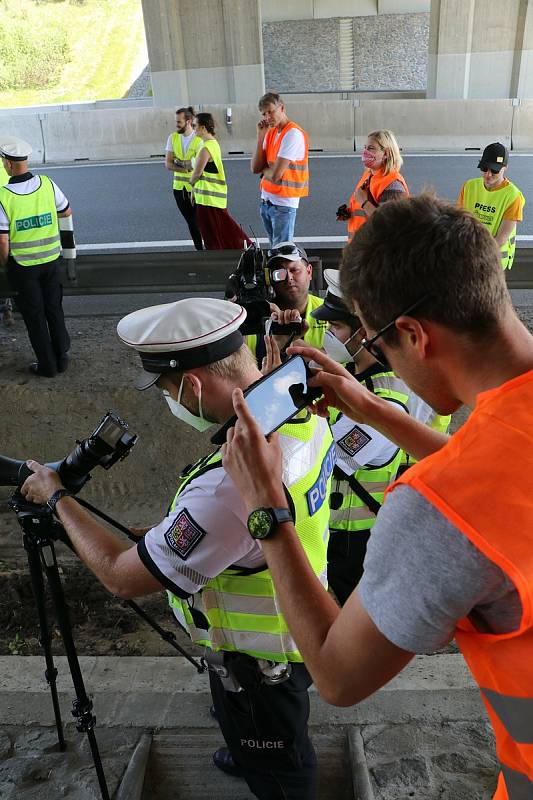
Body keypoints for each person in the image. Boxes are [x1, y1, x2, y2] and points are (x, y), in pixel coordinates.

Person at [221, 194, 533, 800]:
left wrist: (268, 511)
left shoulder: (438, 509)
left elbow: (338, 676)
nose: (373, 353)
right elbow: (506, 473)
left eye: (377, 340)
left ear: (414, 335)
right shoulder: (493, 456)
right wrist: (366, 406)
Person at [20, 296, 335, 800]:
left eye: (167, 389)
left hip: (256, 663)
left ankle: (265, 767)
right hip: (290, 627)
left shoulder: (228, 485)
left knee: (282, 772)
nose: (170, 401)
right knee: (264, 736)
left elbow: (123, 577)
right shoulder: (302, 417)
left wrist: (57, 497)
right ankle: (246, 750)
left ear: (191, 383)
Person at [310, 269, 409, 604]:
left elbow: (324, 460)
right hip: (335, 534)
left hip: (359, 543)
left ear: (363, 334)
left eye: (335, 328)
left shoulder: (386, 401)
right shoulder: (349, 381)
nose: (328, 336)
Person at [0, 136, 72, 376]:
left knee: (35, 316)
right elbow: (66, 210)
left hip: (24, 267)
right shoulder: (47, 183)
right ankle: (61, 358)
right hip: (51, 260)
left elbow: (2, 241)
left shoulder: (4, 196)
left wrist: (4, 264)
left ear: (9, 164)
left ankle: (47, 366)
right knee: (54, 309)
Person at [245, 242, 327, 367]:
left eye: (295, 270)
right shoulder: (254, 317)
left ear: (309, 271)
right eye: (279, 273)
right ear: (270, 279)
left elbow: (344, 364)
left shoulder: (329, 312)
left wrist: (289, 342)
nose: (289, 278)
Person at [251, 92, 309, 247]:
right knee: (274, 251)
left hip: (283, 204)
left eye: (271, 111)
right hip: (266, 201)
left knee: (282, 255)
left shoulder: (292, 134)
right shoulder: (270, 133)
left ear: (282, 108)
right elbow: (255, 168)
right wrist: (260, 137)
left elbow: (276, 175)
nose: (268, 117)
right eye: (264, 114)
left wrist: (266, 170)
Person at [458, 142, 525, 270]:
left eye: (494, 170)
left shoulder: (514, 196)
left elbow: (502, 238)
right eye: (484, 168)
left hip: (495, 262)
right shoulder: (468, 187)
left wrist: (476, 253)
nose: (488, 174)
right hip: (469, 257)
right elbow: (459, 223)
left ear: (505, 168)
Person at [189, 113, 251, 250]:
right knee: (223, 229)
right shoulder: (212, 144)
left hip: (208, 199)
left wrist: (190, 183)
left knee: (213, 234)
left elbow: (197, 173)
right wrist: (194, 192)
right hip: (210, 198)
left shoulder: (206, 148)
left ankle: (245, 251)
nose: (193, 129)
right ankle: (244, 250)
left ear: (203, 128)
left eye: (195, 126)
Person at [337, 129, 408, 242]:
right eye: (365, 148)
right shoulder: (369, 175)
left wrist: (364, 202)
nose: (365, 152)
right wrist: (349, 213)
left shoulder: (393, 185)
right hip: (361, 248)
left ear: (386, 153)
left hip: (376, 251)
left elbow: (388, 224)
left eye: (371, 148)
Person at [164, 106, 203, 250]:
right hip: (179, 189)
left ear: (188, 121)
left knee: (200, 222)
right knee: (192, 222)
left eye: (179, 122)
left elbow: (199, 165)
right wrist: (186, 167)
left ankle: (209, 249)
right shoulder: (172, 138)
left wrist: (179, 162)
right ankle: (200, 250)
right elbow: (168, 164)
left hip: (197, 188)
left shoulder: (199, 139)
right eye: (176, 122)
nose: (176, 125)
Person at [0, 157, 14, 326]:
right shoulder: (5, 160)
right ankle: (7, 309)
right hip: (8, 215)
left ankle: (7, 308)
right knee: (5, 260)